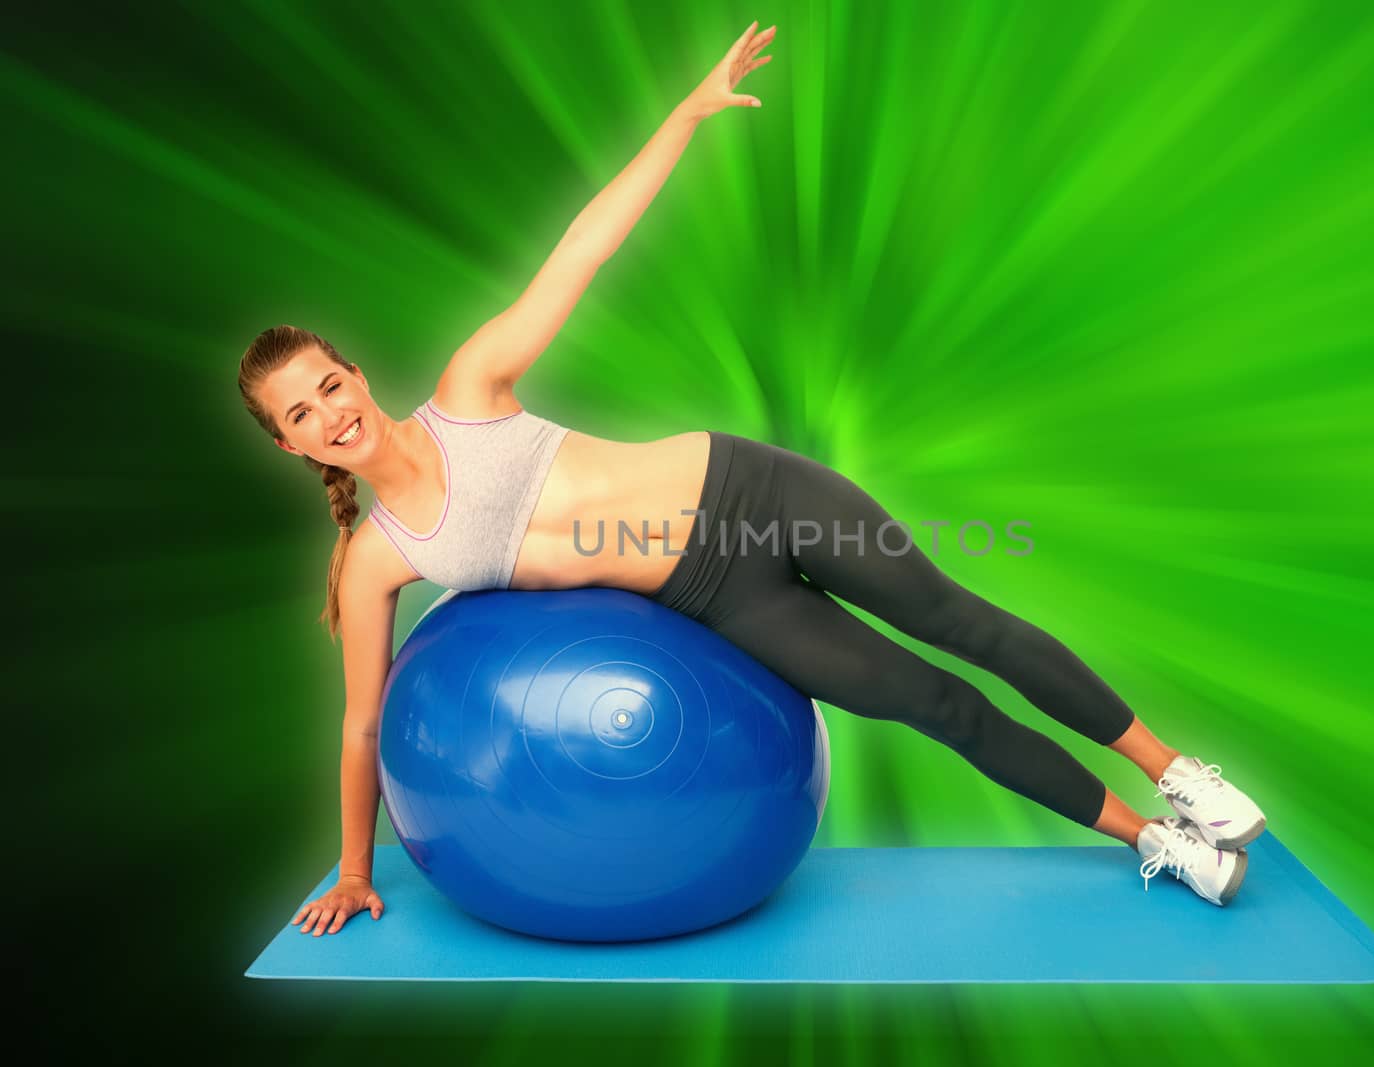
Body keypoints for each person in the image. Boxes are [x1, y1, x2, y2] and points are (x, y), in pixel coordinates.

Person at [237, 23, 1266, 938]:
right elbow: (365, 724)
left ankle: (1180, 774)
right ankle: (1155, 840)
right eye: (302, 413)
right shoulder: (376, 559)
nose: (331, 411)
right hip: (721, 596)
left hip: (753, 494)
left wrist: (683, 118)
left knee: (964, 621)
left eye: (330, 382)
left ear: (355, 371)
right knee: (930, 702)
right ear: (293, 446)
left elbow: (579, 253)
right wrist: (358, 869)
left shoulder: (469, 389)